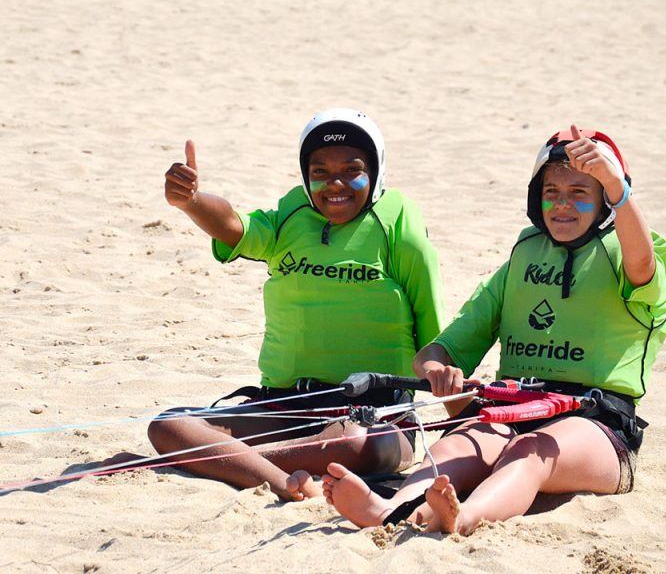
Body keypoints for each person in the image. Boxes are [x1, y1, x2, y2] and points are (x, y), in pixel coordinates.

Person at [322, 125, 666, 534]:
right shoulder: (523, 257)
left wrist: (617, 187)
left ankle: (464, 517)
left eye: (580, 193)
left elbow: (641, 265)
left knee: (530, 450)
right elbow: (435, 354)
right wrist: (438, 370)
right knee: (459, 442)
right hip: (515, 410)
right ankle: (394, 511)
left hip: (599, 427)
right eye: (552, 192)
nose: (562, 205)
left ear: (607, 202)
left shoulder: (635, 251)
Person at [146, 108, 445, 501]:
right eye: (319, 172)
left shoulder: (399, 226)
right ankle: (279, 479)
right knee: (168, 426)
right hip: (285, 406)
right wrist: (193, 200)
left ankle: (236, 462)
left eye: (351, 170)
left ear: (376, 171)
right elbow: (235, 226)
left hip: (372, 414)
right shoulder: (291, 215)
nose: (334, 184)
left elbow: (434, 340)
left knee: (358, 446)